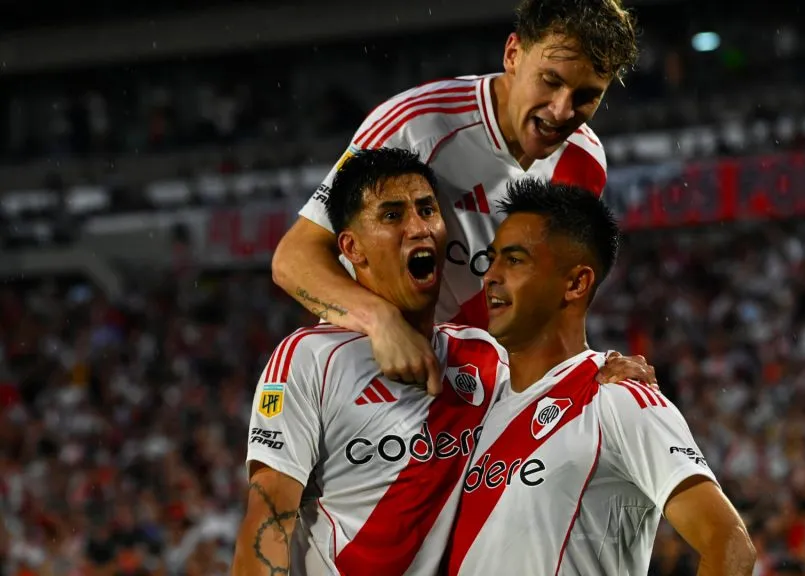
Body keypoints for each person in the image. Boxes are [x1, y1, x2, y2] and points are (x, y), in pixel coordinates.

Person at [231, 149, 650, 576]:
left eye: (427, 210)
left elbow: (558, 390)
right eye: (392, 216)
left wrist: (604, 372)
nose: (418, 228)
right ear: (352, 248)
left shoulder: (488, 357)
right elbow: (267, 530)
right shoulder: (308, 360)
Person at [271, 0, 640, 395]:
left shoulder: (585, 164)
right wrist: (380, 320)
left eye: (585, 95)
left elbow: (550, 304)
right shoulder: (415, 126)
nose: (561, 110)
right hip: (376, 374)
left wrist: (595, 366)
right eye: (550, 81)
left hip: (481, 393)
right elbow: (293, 259)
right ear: (513, 54)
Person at [444, 179, 757, 576]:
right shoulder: (476, 407)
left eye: (515, 259)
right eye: (491, 259)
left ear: (575, 283)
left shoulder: (618, 400)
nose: (490, 276)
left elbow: (729, 544)